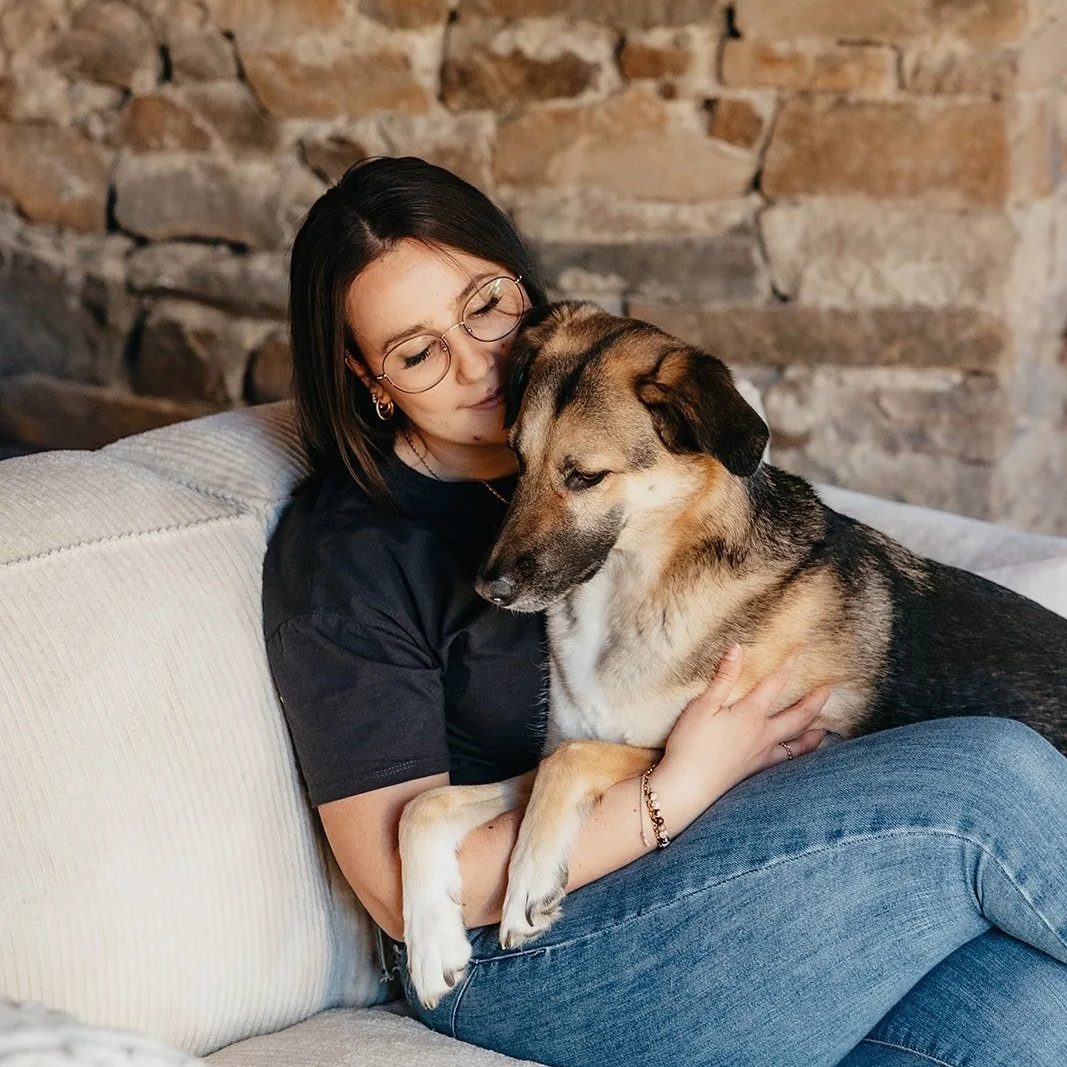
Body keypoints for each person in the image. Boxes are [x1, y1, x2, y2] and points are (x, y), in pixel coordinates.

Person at [261, 155, 1067, 1067]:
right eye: (416, 352)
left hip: (715, 879)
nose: (479, 362)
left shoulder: (609, 433)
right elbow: (394, 889)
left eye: (484, 306)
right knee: (986, 776)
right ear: (368, 376)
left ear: (521, 286)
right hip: (521, 959)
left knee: (1039, 1011)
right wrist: (677, 786)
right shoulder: (347, 560)